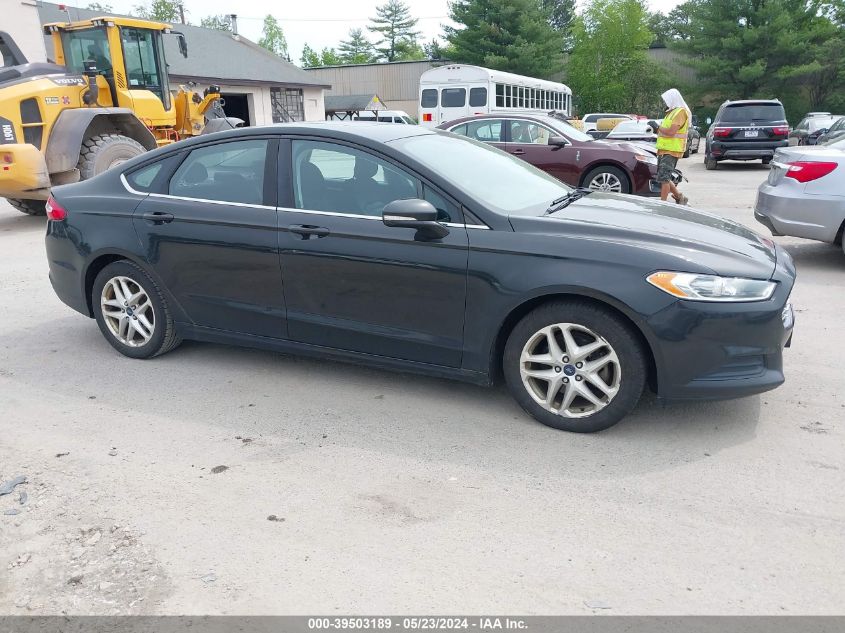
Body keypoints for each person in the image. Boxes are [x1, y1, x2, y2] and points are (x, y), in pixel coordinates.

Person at [656, 88, 690, 205]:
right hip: (664, 149)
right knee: (662, 176)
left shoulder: (680, 112)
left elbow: (671, 132)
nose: (666, 102)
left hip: (672, 150)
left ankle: (663, 204)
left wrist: (658, 127)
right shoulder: (671, 112)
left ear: (673, 99)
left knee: (664, 178)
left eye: (667, 100)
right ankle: (680, 197)